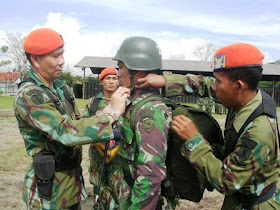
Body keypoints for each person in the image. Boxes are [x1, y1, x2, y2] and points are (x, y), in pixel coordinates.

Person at [136, 43, 280, 209]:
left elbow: (227, 181)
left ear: (239, 86)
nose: (214, 86)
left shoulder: (258, 132)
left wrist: (194, 140)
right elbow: (204, 83)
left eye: (218, 82)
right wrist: (166, 81)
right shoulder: (246, 98)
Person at [14, 28, 130, 209]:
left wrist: (104, 113)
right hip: (49, 191)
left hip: (71, 184)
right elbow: (65, 132)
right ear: (35, 60)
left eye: (62, 54)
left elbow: (77, 124)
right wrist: (111, 114)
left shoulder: (62, 89)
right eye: (55, 56)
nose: (62, 62)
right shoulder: (30, 94)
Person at [113, 36, 172, 209]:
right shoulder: (135, 104)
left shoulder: (150, 112)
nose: (117, 73)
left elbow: (151, 174)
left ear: (136, 72)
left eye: (120, 67)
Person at [83, 67, 122, 209]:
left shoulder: (125, 101)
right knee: (98, 186)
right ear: (101, 82)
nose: (111, 82)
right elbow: (85, 124)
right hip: (98, 153)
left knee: (118, 187)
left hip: (119, 154)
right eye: (107, 78)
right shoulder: (93, 103)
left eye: (114, 78)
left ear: (118, 81)